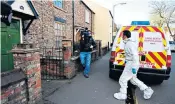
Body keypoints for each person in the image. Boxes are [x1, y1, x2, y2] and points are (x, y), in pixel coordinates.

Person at [114, 30, 154, 100]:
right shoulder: (129, 43)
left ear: (125, 36)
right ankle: (147, 90)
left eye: (122, 35)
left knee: (122, 79)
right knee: (133, 79)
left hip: (132, 64)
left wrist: (134, 67)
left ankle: (123, 95)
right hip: (131, 63)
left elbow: (135, 55)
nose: (121, 36)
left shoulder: (129, 44)